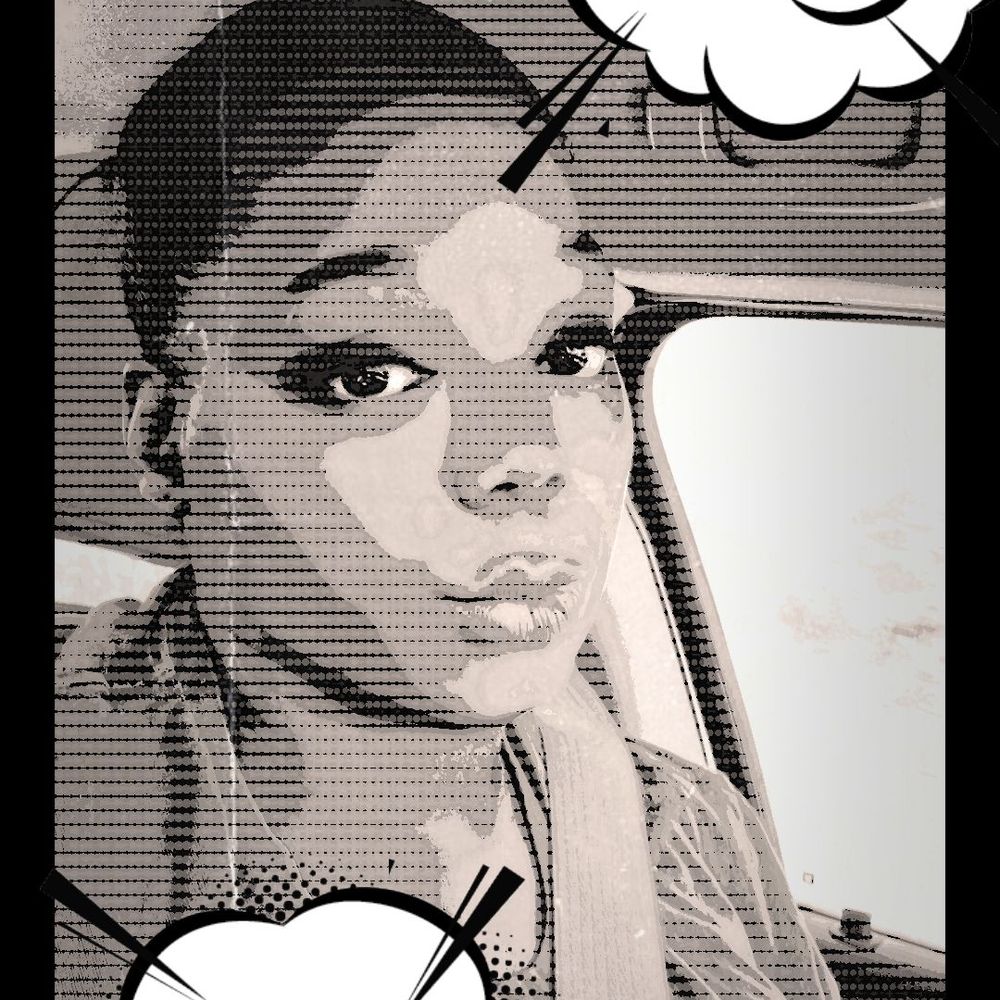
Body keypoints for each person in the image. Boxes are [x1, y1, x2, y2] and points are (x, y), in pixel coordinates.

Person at [55, 2, 840, 997]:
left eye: (570, 352)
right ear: (169, 440)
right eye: (370, 373)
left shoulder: (686, 836)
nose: (527, 456)